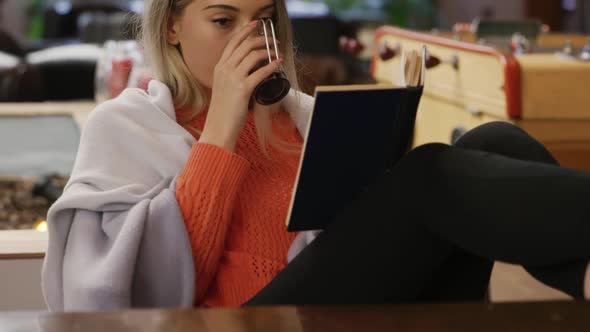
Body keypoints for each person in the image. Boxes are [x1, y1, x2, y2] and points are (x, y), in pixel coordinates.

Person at [41, 0, 590, 311]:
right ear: (173, 29)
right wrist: (223, 127)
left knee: (495, 139)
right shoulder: (128, 124)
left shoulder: (301, 115)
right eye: (223, 20)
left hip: (336, 306)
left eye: (262, 20)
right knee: (430, 175)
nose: (249, 40)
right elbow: (147, 290)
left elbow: (357, 240)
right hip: (235, 323)